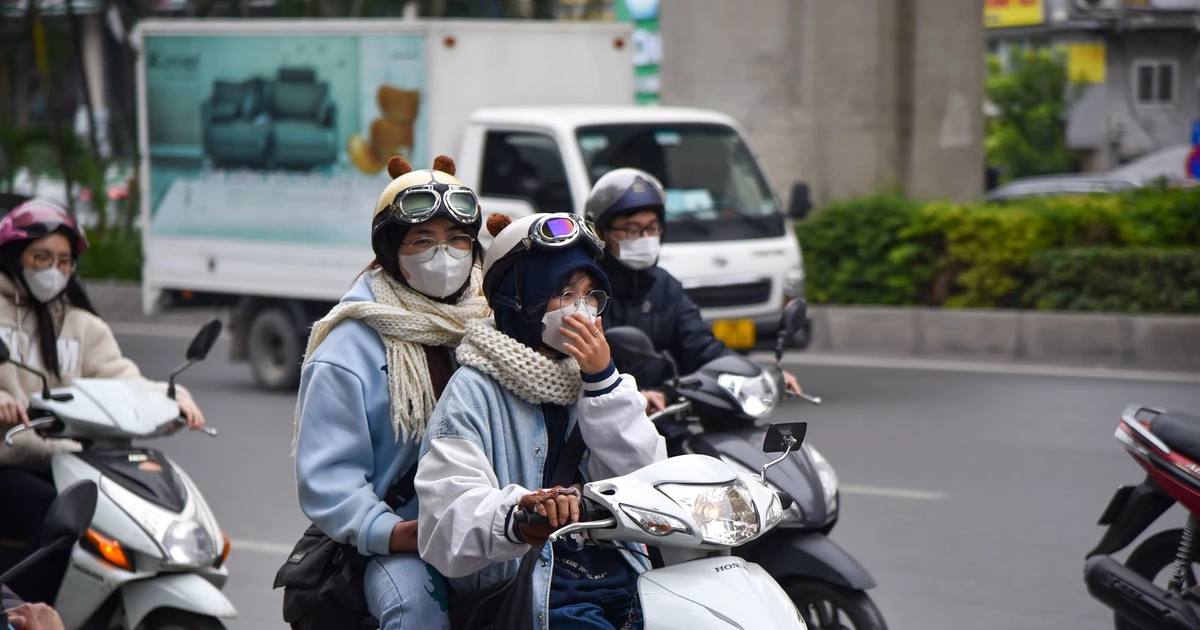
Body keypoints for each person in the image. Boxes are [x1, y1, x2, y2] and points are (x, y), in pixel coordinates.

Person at [415, 212, 667, 629]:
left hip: (622, 577)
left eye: (591, 296)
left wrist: (603, 383)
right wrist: (518, 515)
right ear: (519, 300)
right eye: (565, 294)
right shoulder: (473, 390)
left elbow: (647, 479)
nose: (582, 310)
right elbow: (447, 520)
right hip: (533, 593)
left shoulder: (597, 379)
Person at [293, 155, 490, 630]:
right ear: (390, 250)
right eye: (422, 240)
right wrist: (391, 532)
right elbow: (329, 477)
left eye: (457, 239)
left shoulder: (493, 322)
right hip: (403, 543)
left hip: (490, 527)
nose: (444, 254)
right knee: (417, 612)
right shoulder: (346, 348)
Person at [0, 199, 206, 604]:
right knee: (54, 511)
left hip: (67, 462)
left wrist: (172, 399)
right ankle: (21, 613)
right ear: (13, 256)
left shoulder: (83, 326)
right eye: (41, 257)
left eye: (64, 261)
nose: (53, 270)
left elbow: (122, 379)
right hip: (8, 461)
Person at [583, 168, 803, 416]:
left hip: (665, 413)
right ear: (599, 232)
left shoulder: (664, 286)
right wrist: (632, 395)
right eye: (632, 229)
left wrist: (755, 374)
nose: (644, 237)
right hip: (607, 418)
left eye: (652, 227)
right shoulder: (584, 291)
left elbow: (701, 346)